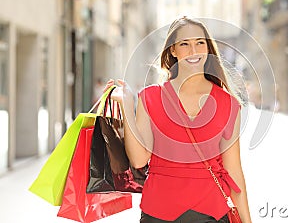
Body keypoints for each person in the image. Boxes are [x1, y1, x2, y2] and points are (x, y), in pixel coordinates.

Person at [104, 16, 252, 222]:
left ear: (208, 48)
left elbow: (234, 170)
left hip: (212, 214)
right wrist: (127, 106)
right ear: (173, 50)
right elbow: (139, 159)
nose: (194, 51)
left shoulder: (229, 103)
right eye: (185, 44)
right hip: (158, 214)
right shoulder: (150, 97)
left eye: (200, 42)